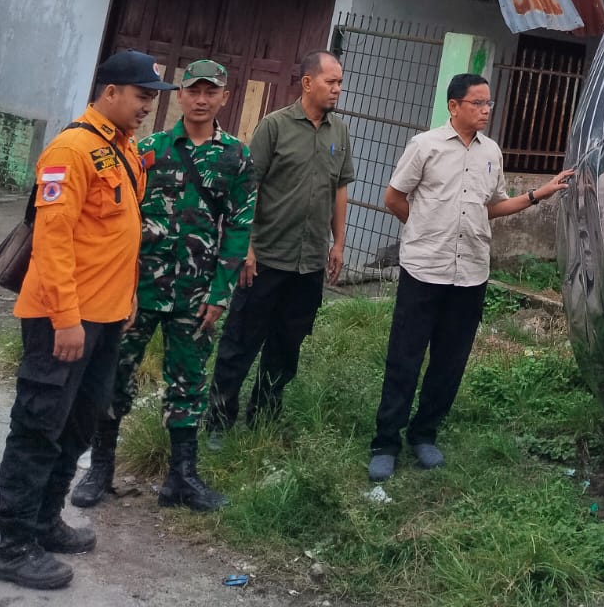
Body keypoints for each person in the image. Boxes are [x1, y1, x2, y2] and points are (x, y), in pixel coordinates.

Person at [0, 51, 171, 592]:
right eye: (142, 96)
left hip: (105, 317)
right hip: (62, 320)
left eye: (151, 99)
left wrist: (125, 301)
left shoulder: (118, 149)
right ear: (111, 91)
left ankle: (45, 521)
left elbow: (112, 236)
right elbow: (53, 243)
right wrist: (66, 319)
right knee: (37, 426)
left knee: (77, 423)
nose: (148, 107)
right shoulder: (71, 149)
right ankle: (10, 542)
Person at [366, 73, 573, 478]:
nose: (486, 110)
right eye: (477, 103)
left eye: (488, 103)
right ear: (454, 106)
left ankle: (425, 435)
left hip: (470, 274)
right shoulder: (424, 146)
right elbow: (394, 197)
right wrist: (423, 230)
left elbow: (491, 206)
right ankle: (385, 441)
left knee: (450, 361)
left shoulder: (491, 152)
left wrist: (539, 193)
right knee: (404, 358)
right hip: (425, 270)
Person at [72, 60, 255, 514]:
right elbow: (124, 219)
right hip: (140, 289)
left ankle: (182, 478)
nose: (200, 99)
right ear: (179, 96)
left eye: (210, 92)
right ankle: (101, 469)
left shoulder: (237, 157)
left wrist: (221, 292)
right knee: (114, 376)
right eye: (192, 90)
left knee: (189, 382)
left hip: (196, 294)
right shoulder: (147, 150)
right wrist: (123, 284)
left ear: (225, 98)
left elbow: (239, 227)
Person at [205, 51, 353, 442]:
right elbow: (248, 189)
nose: (338, 89)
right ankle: (219, 420)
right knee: (241, 341)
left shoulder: (339, 131)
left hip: (308, 264)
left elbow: (340, 189)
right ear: (307, 83)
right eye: (331, 82)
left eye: (340, 82)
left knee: (287, 346)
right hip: (267, 257)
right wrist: (247, 247)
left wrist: (338, 243)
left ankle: (264, 415)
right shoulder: (275, 127)